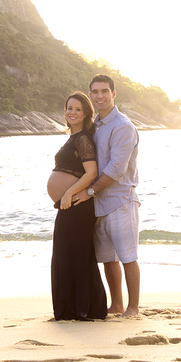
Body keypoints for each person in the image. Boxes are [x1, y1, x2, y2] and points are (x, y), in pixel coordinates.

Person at [74, 74, 141, 317]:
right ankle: (117, 305)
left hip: (121, 201)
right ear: (90, 95)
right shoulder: (95, 126)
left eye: (105, 91)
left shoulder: (122, 126)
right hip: (99, 203)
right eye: (95, 91)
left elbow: (115, 170)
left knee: (127, 256)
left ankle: (133, 308)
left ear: (114, 94)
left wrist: (88, 191)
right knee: (109, 259)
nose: (100, 95)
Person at [45, 92, 108, 321]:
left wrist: (69, 192)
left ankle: (84, 309)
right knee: (65, 254)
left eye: (77, 109)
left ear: (86, 114)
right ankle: (72, 308)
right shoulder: (73, 137)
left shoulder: (82, 138)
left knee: (76, 255)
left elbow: (91, 173)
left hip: (78, 205)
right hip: (68, 205)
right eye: (69, 108)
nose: (72, 112)